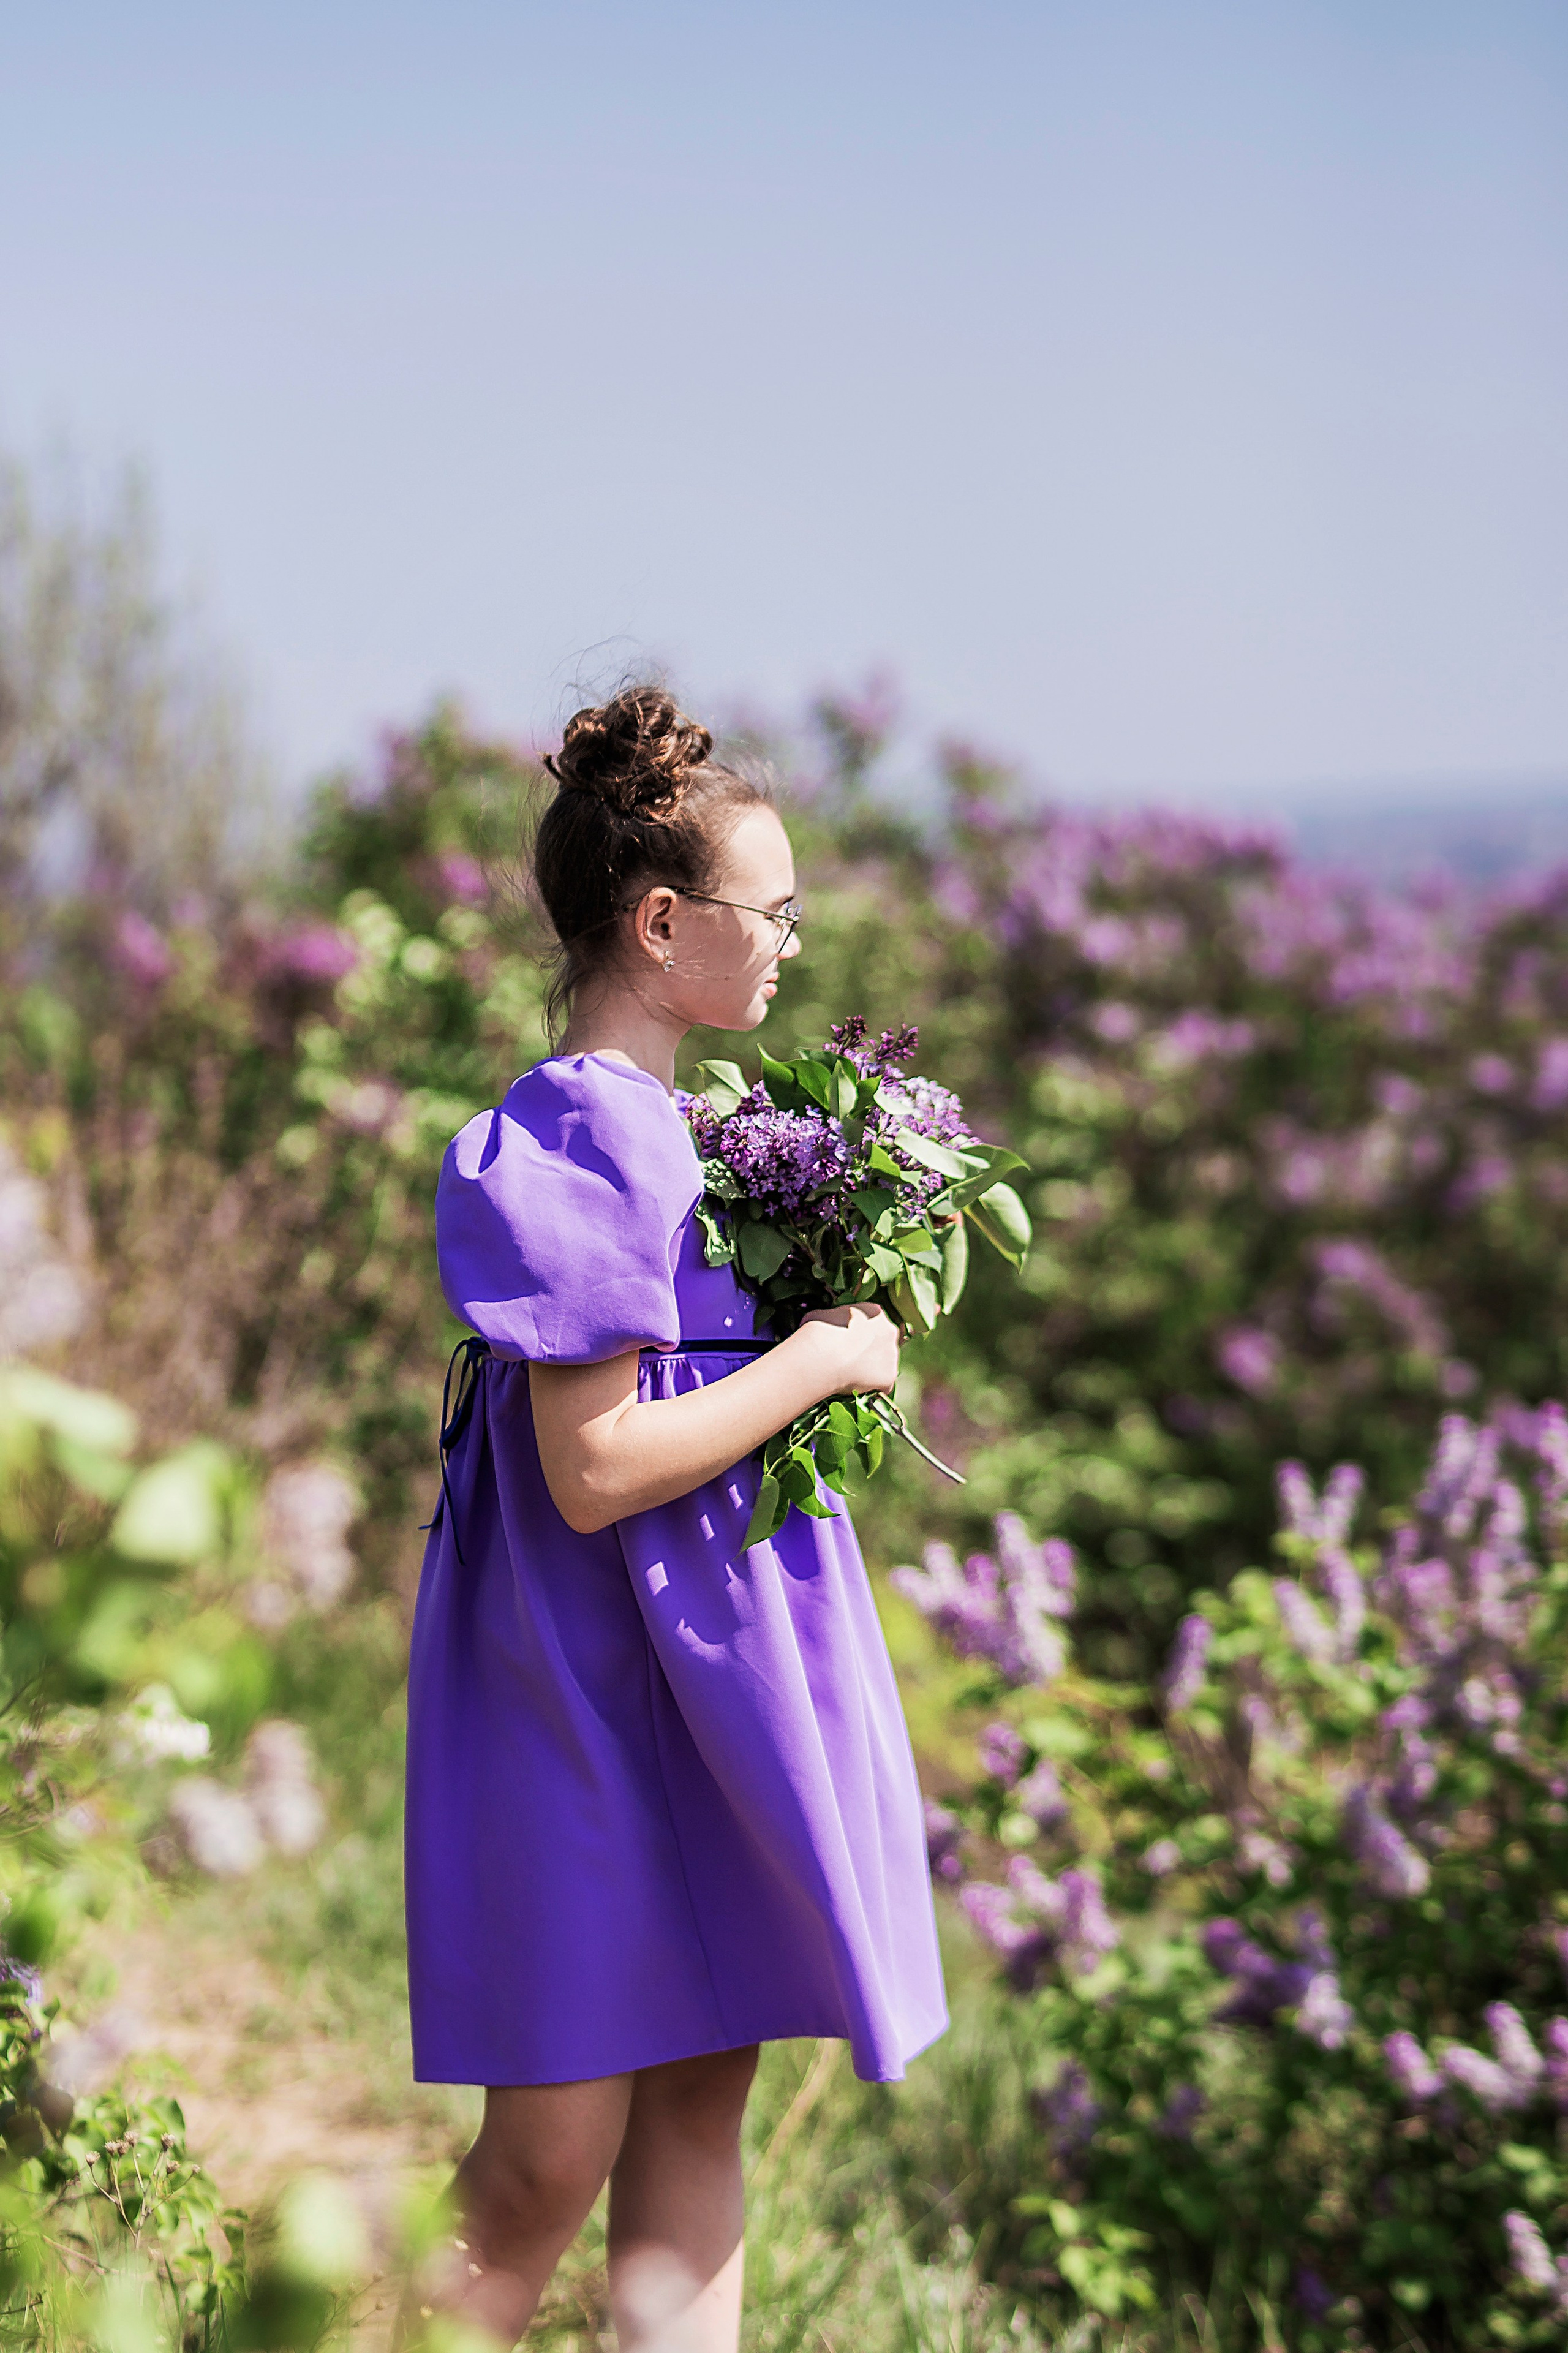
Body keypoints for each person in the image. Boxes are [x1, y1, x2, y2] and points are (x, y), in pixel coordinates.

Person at [404, 687, 947, 2351]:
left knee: (703, 2096)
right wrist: (821, 1359)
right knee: (544, 2156)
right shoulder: (578, 1128)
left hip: (708, 1681)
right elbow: (597, 1467)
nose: (790, 943)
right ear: (659, 922)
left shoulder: (694, 1131)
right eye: (769, 912)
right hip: (585, 1688)